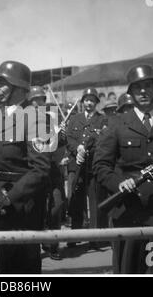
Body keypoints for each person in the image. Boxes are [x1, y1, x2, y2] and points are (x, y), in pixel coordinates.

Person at [93, 64, 153, 274]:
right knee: (129, 270)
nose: (143, 91)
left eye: (148, 86)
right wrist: (119, 182)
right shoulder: (117, 124)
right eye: (138, 87)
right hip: (129, 211)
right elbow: (101, 166)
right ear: (131, 92)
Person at [0, 61, 51, 274]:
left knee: (22, 266)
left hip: (21, 207)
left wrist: (9, 197)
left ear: (17, 86)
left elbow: (40, 169)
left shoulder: (36, 118)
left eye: (1, 83)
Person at [28, 86, 65, 260]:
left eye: (41, 100)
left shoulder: (53, 120)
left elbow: (63, 144)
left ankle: (53, 245)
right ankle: (36, 244)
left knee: (56, 206)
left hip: (53, 171)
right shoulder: (24, 122)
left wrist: (61, 134)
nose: (38, 104)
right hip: (34, 171)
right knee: (36, 209)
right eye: (35, 101)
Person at [66, 88, 106, 240]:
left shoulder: (102, 120)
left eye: (92, 100)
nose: (89, 103)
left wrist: (89, 149)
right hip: (77, 166)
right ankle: (75, 236)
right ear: (83, 102)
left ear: (96, 103)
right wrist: (78, 148)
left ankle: (94, 238)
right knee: (76, 200)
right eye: (87, 100)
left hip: (93, 166)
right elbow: (69, 138)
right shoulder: (75, 119)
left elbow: (104, 141)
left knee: (94, 202)